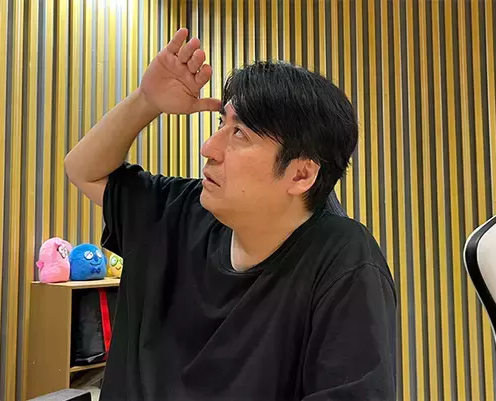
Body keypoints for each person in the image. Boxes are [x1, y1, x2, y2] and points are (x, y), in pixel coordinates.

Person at [65, 28, 397, 401]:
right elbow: (83, 170)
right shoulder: (180, 209)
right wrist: (146, 100)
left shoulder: (343, 263)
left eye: (240, 134)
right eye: (221, 123)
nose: (209, 147)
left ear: (301, 174)